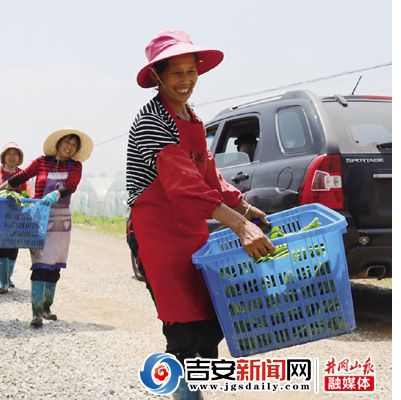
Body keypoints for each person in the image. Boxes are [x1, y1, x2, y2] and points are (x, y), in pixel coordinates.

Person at [126, 29, 275, 399]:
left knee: (210, 325)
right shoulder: (151, 122)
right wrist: (241, 226)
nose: (186, 80)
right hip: (158, 234)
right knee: (184, 330)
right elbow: (182, 184)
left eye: (191, 71)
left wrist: (244, 206)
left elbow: (207, 174)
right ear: (157, 77)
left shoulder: (189, 117)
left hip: (191, 230)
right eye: (176, 73)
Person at [0, 128, 92, 328]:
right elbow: (22, 176)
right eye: (67, 142)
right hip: (39, 218)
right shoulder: (41, 162)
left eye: (74, 145)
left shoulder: (75, 166)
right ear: (58, 143)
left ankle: (47, 307)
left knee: (54, 266)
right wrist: (0, 188)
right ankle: (36, 312)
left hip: (61, 221)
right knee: (40, 264)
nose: (70, 146)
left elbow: (72, 184)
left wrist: (57, 194)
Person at [0, 142, 30, 294]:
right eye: (9, 154)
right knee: (1, 247)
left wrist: (33, 199)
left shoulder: (22, 174)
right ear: (3, 157)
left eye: (15, 154)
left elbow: (28, 189)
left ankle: (8, 278)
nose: (12, 157)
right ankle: (3, 283)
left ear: (19, 157)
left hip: (16, 217)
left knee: (13, 247)